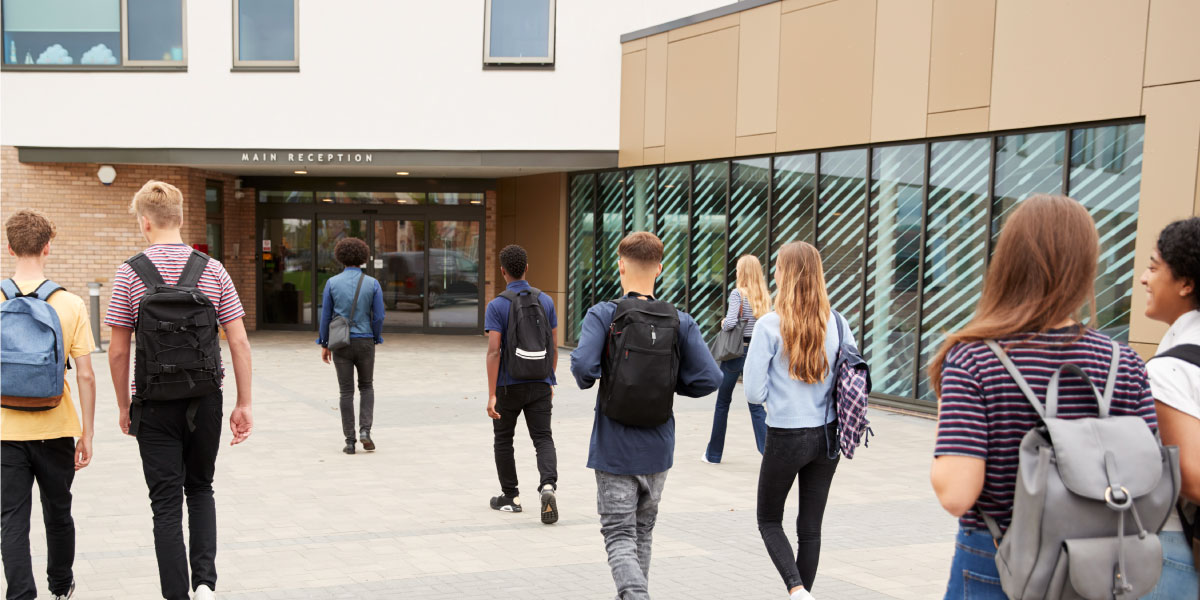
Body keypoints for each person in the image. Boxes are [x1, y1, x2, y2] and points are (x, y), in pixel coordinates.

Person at [929, 195, 1158, 599]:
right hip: (1101, 566)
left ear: (1008, 262)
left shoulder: (975, 359)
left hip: (999, 561)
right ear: (1087, 266)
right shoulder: (1125, 362)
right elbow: (1150, 483)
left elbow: (956, 493)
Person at [106, 180, 253, 600]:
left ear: (144, 222)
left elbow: (118, 352)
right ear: (183, 218)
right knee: (201, 487)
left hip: (152, 403)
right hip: (205, 397)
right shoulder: (213, 270)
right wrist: (243, 402)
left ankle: (176, 595)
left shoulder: (129, 273)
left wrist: (123, 405)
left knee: (165, 502)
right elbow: (239, 342)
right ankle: (205, 584)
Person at [570, 231, 721, 599]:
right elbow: (710, 378)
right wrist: (667, 384)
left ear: (620, 264)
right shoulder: (680, 321)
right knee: (642, 533)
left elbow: (582, 369)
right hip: (658, 447)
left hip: (614, 447)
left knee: (619, 535)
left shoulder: (604, 314)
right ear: (660, 268)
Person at [742, 242, 851, 600]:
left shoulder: (769, 326)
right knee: (810, 528)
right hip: (829, 435)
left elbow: (754, 393)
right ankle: (802, 592)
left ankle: (796, 588)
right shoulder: (837, 321)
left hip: (786, 435)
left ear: (784, 276)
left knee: (769, 519)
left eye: (776, 268)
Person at [1, 209, 96, 600]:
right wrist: (86, 433)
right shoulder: (70, 303)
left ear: (9, 247)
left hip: (5, 432)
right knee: (58, 513)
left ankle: (21, 594)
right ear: (48, 247)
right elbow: (86, 375)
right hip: (57, 427)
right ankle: (61, 586)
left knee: (12, 520)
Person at [1140, 216, 1200, 599]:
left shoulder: (1169, 370)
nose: (1145, 278)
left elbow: (1191, 478)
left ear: (1186, 283)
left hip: (1178, 547)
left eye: (1153, 266)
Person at [484, 245, 560, 523]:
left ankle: (510, 497)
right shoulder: (547, 302)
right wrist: (549, 379)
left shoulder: (497, 305)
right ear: (527, 267)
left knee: (504, 439)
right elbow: (553, 345)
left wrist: (492, 394)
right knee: (543, 437)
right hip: (540, 382)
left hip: (508, 384)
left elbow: (494, 350)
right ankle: (548, 486)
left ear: (502, 271)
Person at [317, 237, 385, 455]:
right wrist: (375, 337)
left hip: (341, 342)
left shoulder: (332, 283)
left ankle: (349, 441)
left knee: (345, 391)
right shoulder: (373, 283)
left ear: (341, 257)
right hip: (365, 340)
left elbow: (326, 315)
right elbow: (379, 316)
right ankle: (365, 430)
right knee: (366, 386)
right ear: (363, 257)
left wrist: (324, 343)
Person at [704, 254, 770, 464]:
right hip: (755, 353)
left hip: (735, 353)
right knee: (755, 404)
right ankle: (768, 453)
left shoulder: (737, 294)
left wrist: (723, 322)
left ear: (742, 271)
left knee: (723, 403)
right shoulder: (764, 296)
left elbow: (731, 322)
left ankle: (713, 455)